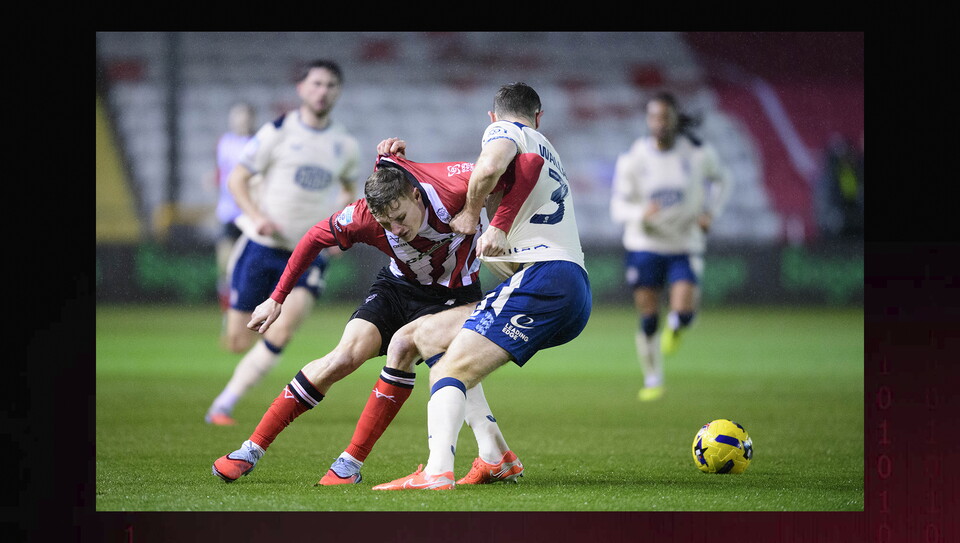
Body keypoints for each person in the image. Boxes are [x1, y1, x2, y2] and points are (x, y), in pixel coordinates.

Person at [211, 140, 522, 486]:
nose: (397, 230)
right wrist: (276, 298)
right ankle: (250, 449)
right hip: (397, 287)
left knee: (409, 353)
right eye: (386, 224)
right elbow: (314, 238)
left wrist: (500, 226)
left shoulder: (454, 187)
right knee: (343, 356)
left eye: (401, 218)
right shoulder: (363, 216)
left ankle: (349, 465)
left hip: (454, 295)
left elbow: (514, 172)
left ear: (416, 197)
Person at [371, 82, 592, 491]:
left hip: (547, 279)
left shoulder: (505, 130)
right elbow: (519, 177)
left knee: (451, 370)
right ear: (539, 117)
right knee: (426, 334)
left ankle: (436, 472)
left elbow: (488, 168)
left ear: (494, 118)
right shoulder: (547, 149)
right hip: (566, 283)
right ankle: (496, 457)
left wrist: (473, 214)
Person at [204, 59, 360, 426]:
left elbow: (350, 191)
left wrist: (341, 230)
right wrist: (257, 216)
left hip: (308, 251)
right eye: (317, 83)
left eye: (331, 85)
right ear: (302, 89)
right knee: (238, 341)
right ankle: (235, 347)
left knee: (283, 329)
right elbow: (237, 180)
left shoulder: (345, 145)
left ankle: (223, 404)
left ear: (338, 92)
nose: (323, 91)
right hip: (261, 246)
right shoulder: (276, 132)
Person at [609, 91, 732, 402]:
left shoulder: (697, 154)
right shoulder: (634, 159)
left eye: (665, 117)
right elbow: (618, 208)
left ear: (675, 119)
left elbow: (724, 180)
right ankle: (653, 378)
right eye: (653, 117)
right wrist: (640, 214)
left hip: (683, 242)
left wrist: (711, 213)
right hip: (645, 244)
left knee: (684, 311)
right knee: (649, 318)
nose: (659, 123)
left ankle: (677, 326)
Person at [212, 101, 257, 313]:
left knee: (248, 267)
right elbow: (221, 173)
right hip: (228, 214)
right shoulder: (224, 143)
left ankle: (249, 309)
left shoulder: (258, 143)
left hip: (250, 213)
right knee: (224, 265)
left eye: (244, 116)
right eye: (237, 116)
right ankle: (227, 313)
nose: (240, 120)